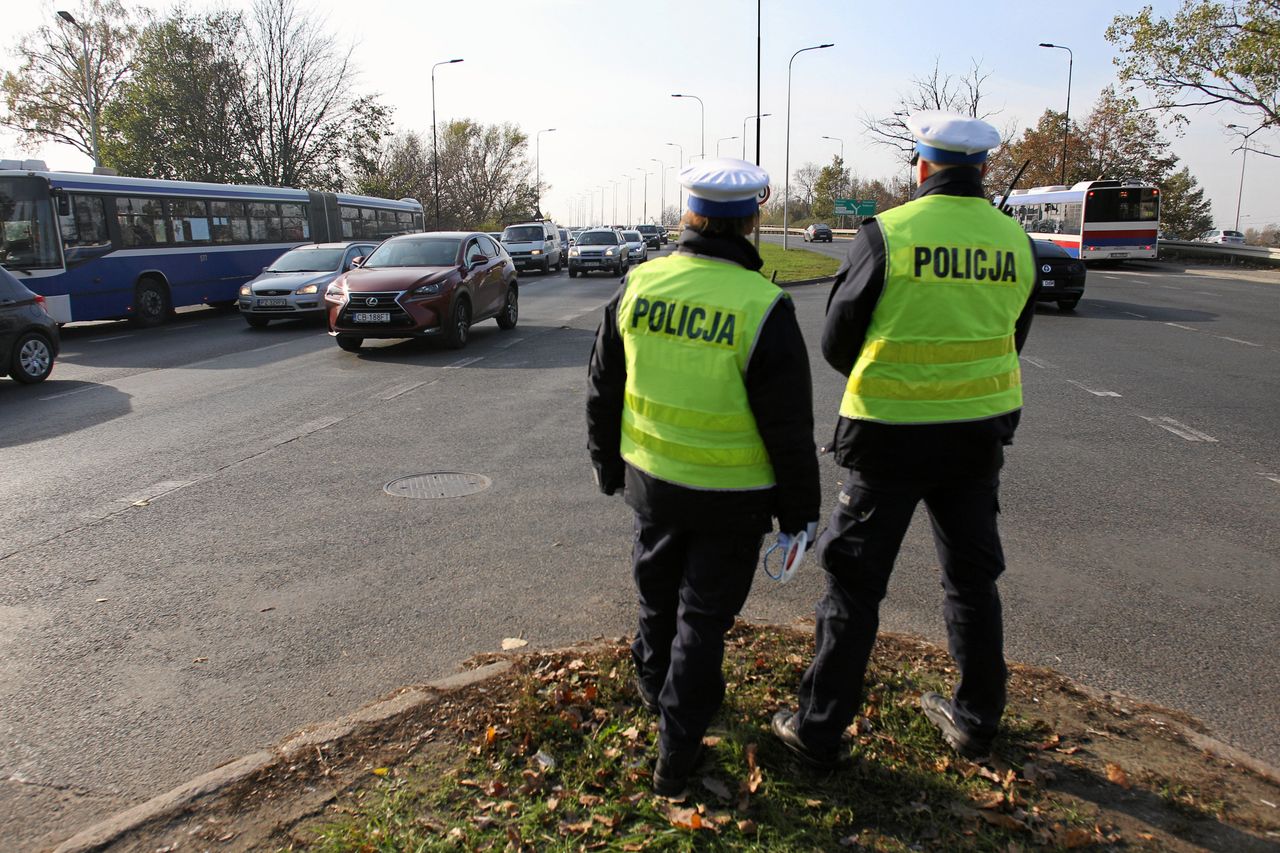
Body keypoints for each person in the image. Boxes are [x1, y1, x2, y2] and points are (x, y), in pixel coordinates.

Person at [771, 112, 1039, 768]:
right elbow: (1014, 335)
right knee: (972, 579)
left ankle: (819, 725)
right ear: (984, 170)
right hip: (977, 438)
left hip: (888, 436)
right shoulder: (1016, 242)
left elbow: (838, 339)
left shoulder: (887, 234)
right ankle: (977, 719)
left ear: (921, 166)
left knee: (854, 585)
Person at [586, 158, 821, 798]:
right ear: (751, 220)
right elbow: (789, 427)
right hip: (733, 499)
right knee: (702, 621)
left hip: (653, 484)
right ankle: (676, 755)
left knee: (656, 597)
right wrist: (801, 513)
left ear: (687, 215)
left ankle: (652, 688)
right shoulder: (762, 305)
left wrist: (608, 465)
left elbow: (604, 387)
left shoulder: (639, 284)